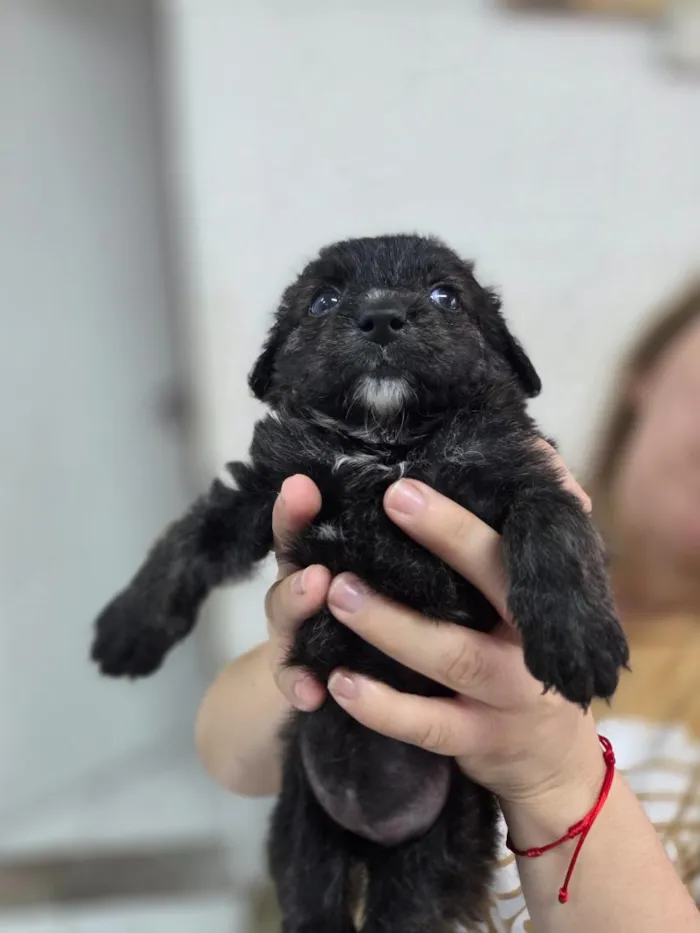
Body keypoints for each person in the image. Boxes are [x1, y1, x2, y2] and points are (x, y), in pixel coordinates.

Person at [195, 276, 700, 932]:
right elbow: (228, 750)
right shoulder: (475, 515)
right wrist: (328, 639)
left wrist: (555, 778)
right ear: (649, 373)